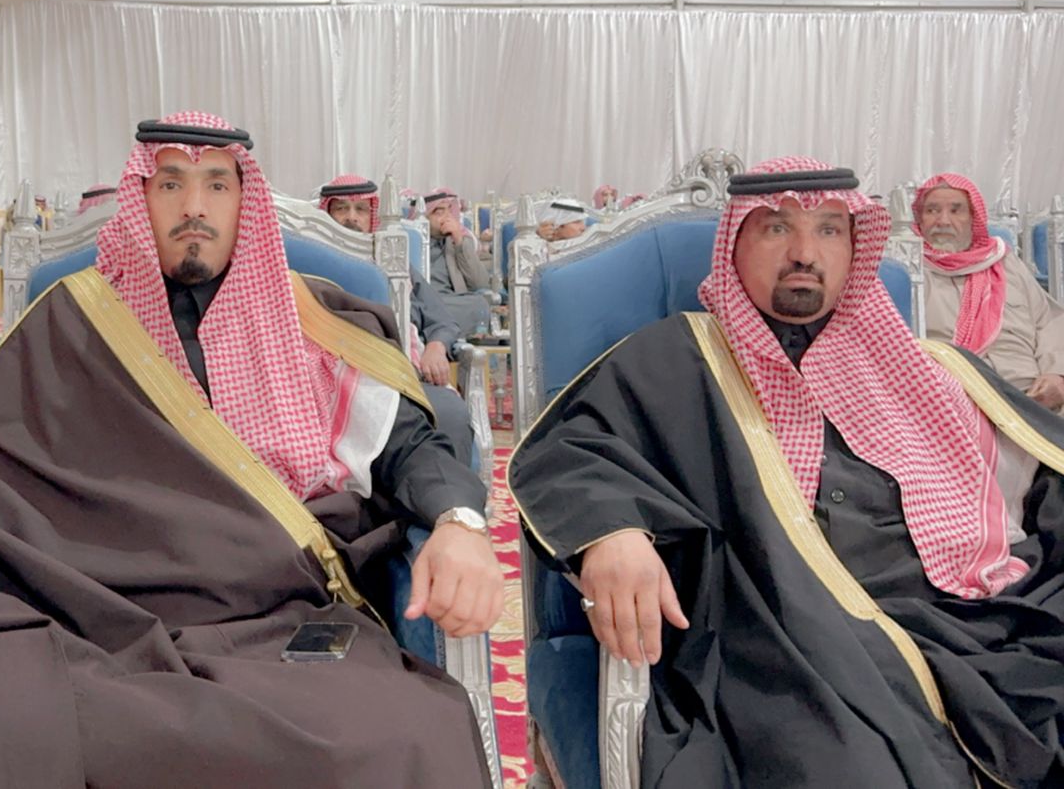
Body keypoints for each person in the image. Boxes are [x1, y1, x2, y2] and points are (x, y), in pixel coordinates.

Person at [0, 113, 499, 788]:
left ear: (244, 201)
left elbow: (412, 447)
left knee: (406, 731)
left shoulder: (312, 322)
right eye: (170, 184)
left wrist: (458, 523)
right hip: (90, 621)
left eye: (216, 184)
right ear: (141, 197)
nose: (194, 206)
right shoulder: (73, 322)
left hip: (279, 619)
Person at [513, 156, 1064, 787]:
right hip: (791, 640)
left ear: (854, 247)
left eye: (829, 229)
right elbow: (575, 449)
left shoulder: (926, 368)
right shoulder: (679, 359)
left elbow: (1040, 468)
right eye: (777, 228)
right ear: (735, 245)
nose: (805, 253)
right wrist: (614, 534)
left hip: (974, 618)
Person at [318, 174, 476, 466]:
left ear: (372, 216)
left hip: (409, 377)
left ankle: (453, 494)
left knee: (450, 415)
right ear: (326, 214)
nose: (351, 217)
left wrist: (436, 347)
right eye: (341, 208)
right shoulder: (311, 265)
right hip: (336, 381)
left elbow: (441, 319)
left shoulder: (395, 261)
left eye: (360, 209)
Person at [915, 172, 1064, 411]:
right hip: (959, 397)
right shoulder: (911, 271)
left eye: (956, 211)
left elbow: (1050, 322)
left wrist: (1056, 374)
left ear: (973, 219)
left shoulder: (1004, 262)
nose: (943, 221)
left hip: (1033, 393)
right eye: (932, 210)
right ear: (920, 219)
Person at [424, 189, 492, 334]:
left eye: (449, 211)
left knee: (479, 304)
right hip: (423, 303)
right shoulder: (412, 243)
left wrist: (460, 243)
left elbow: (480, 283)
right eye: (439, 212)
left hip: (450, 302)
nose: (447, 218)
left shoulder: (456, 241)